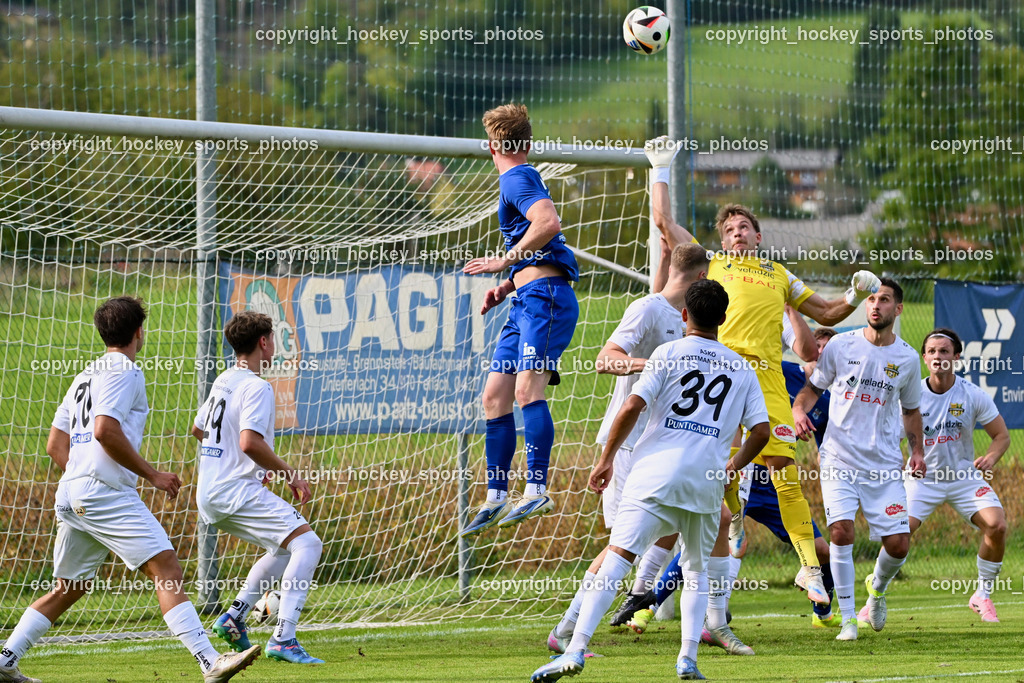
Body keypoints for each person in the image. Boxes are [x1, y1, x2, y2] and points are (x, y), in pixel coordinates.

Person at [645, 135, 881, 604]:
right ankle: (728, 528)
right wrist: (661, 167)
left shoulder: (779, 274)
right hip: (721, 373)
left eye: (744, 227)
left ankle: (811, 571)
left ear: (758, 235)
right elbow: (663, 223)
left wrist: (856, 294)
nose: (736, 233)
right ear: (722, 239)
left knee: (782, 468)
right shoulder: (712, 264)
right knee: (718, 465)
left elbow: (829, 313)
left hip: (767, 377)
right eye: (729, 228)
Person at [0, 297, 260, 683]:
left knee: (68, 588)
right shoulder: (125, 370)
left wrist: (80, 477)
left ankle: (6, 658)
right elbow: (105, 430)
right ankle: (209, 662)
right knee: (167, 568)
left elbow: (56, 445)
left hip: (71, 491)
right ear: (139, 332)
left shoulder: (84, 374)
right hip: (102, 493)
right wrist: (153, 474)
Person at [531, 279, 770, 682]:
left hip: (654, 474)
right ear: (724, 319)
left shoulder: (667, 352)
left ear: (683, 316)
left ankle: (574, 649)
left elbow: (632, 405)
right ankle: (687, 659)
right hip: (705, 482)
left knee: (618, 557)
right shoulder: (741, 367)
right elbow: (761, 432)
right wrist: (733, 466)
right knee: (696, 571)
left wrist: (606, 458)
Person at [547, 242, 709, 653]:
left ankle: (636, 597)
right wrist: (650, 365)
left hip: (660, 448)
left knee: (671, 526)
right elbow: (605, 359)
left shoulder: (686, 321)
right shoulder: (648, 309)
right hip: (628, 445)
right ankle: (567, 632)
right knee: (621, 545)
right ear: (702, 277)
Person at [461, 103, 580, 536]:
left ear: (492, 146)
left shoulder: (516, 176)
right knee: (495, 396)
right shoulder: (519, 177)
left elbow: (548, 222)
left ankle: (537, 488)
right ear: (527, 144)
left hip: (546, 299)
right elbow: (542, 245)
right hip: (526, 298)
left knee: (528, 391)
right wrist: (509, 285)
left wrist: (503, 262)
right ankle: (496, 495)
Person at [793, 278, 925, 641]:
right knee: (841, 530)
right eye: (871, 299)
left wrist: (917, 451)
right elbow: (812, 389)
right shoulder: (840, 344)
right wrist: (798, 411)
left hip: (883, 465)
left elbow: (911, 411)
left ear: (897, 309)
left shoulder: (908, 358)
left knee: (898, 544)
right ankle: (849, 618)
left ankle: (877, 590)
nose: (875, 305)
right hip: (838, 459)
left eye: (884, 300)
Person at [191, 311, 324, 664]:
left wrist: (236, 462)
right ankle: (284, 638)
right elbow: (250, 442)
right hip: (233, 491)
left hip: (211, 493)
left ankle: (234, 617)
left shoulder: (225, 379)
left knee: (282, 550)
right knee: (308, 544)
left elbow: (198, 429)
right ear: (264, 342)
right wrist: (288, 473)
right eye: (273, 338)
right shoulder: (257, 385)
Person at [905, 328, 1009, 623]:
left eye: (945, 351)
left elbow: (1001, 436)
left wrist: (990, 457)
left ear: (956, 357)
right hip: (922, 480)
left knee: (997, 525)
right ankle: (875, 595)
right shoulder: (911, 396)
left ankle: (982, 595)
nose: (939, 356)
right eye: (933, 352)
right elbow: (889, 438)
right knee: (898, 535)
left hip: (964, 479)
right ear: (924, 358)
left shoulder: (972, 394)